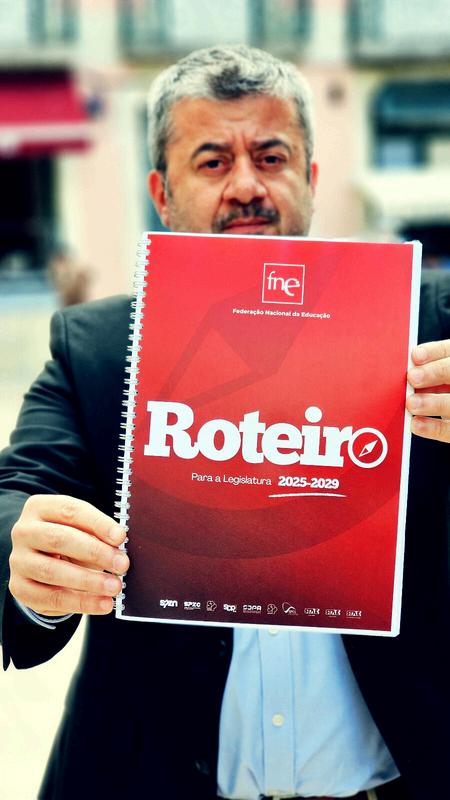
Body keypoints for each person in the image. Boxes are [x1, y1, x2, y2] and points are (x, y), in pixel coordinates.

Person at [1, 45, 450, 800]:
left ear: (310, 179)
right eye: (212, 162)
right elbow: (17, 493)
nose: (246, 185)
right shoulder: (98, 349)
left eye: (271, 157)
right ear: (161, 193)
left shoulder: (426, 326)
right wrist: (28, 558)